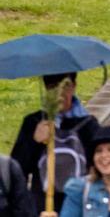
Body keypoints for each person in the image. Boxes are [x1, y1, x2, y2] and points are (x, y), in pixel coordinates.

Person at [17, 73, 98, 214]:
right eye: (53, 87)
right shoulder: (33, 122)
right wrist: (34, 141)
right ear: (46, 89)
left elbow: (101, 169)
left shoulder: (88, 125)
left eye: (65, 86)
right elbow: (17, 170)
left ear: (74, 86)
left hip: (79, 206)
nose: (60, 93)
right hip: (43, 208)